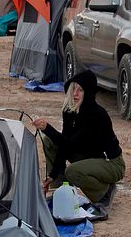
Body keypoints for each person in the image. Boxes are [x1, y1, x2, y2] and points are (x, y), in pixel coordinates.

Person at [31, 70, 124, 205]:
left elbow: (71, 145)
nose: (75, 94)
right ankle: (61, 188)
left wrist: (47, 128)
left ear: (88, 92)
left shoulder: (96, 115)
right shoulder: (70, 111)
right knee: (49, 141)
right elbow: (64, 144)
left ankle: (104, 192)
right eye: (73, 88)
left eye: (80, 90)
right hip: (89, 154)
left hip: (111, 163)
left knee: (73, 172)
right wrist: (53, 176)